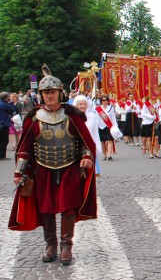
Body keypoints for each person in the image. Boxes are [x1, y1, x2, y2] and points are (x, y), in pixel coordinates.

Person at [9, 68, 97, 265]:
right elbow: (25, 148)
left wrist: (86, 156)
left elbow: (86, 142)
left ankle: (67, 245)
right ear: (41, 95)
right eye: (45, 92)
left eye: (52, 92)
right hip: (43, 169)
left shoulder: (72, 116)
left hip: (69, 169)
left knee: (68, 207)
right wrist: (19, 171)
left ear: (60, 93)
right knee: (46, 208)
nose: (49, 95)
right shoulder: (34, 118)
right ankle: (51, 244)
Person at [73, 95, 102, 175]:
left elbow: (95, 133)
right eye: (80, 104)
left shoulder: (92, 116)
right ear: (76, 105)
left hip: (90, 145)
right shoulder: (73, 117)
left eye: (84, 104)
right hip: (77, 147)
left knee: (90, 171)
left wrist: (97, 146)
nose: (83, 106)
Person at [96, 95, 119, 161]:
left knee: (110, 140)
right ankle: (104, 154)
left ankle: (109, 155)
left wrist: (115, 126)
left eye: (106, 100)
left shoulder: (110, 108)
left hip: (109, 126)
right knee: (102, 142)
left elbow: (113, 118)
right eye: (103, 100)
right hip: (100, 127)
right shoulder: (98, 109)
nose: (105, 101)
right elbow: (97, 119)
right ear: (101, 101)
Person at [0, 92, 18, 158]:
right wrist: (13, 103)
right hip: (3, 124)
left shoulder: (2, 103)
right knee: (4, 140)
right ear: (6, 98)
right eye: (8, 97)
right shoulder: (5, 105)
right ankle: (2, 155)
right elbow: (13, 109)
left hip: (2, 123)